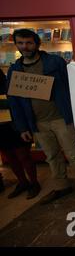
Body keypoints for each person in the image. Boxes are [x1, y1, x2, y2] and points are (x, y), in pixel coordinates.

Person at [7, 29, 75, 204]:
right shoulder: (15, 70)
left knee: (73, 155)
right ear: (16, 45)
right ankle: (61, 186)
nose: (24, 47)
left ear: (36, 44)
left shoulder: (55, 62)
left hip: (62, 118)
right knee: (51, 156)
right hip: (38, 123)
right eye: (20, 43)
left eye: (29, 43)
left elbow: (73, 85)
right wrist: (23, 127)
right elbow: (15, 102)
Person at [1, 68, 41, 199]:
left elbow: (19, 103)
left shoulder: (10, 84)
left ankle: (34, 184)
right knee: (10, 157)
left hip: (16, 125)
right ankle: (23, 182)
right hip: (2, 128)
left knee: (23, 156)